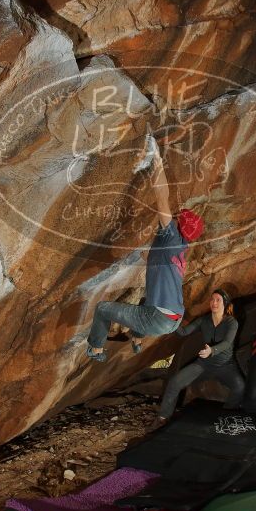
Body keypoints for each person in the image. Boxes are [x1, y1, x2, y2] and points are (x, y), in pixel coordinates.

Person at [86, 137, 204, 362]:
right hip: (172, 318)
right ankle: (138, 340)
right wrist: (147, 257)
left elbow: (162, 197)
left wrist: (157, 161)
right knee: (144, 302)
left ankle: (96, 349)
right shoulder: (180, 246)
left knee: (103, 309)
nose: (176, 214)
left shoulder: (171, 237)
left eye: (179, 216)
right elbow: (159, 261)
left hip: (159, 317)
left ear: (179, 224)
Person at [150, 289, 245, 430]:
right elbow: (183, 332)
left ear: (225, 303)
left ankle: (225, 416)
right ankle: (163, 418)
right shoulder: (204, 320)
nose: (214, 303)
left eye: (218, 300)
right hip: (204, 364)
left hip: (226, 365)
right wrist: (170, 321)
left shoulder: (231, 322)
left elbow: (227, 343)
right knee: (174, 382)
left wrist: (211, 350)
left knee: (240, 387)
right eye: (212, 299)